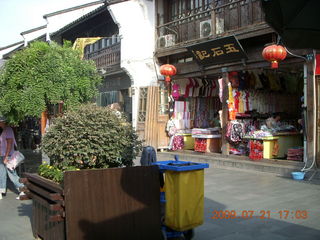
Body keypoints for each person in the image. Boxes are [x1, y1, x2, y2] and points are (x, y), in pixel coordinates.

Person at [0, 116, 25, 200]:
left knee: (11, 174)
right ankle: (1, 190)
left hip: (8, 155)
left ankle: (22, 189)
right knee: (2, 173)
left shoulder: (8, 130)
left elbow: (9, 144)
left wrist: (6, 157)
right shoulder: (3, 130)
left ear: (3, 122)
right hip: (2, 155)